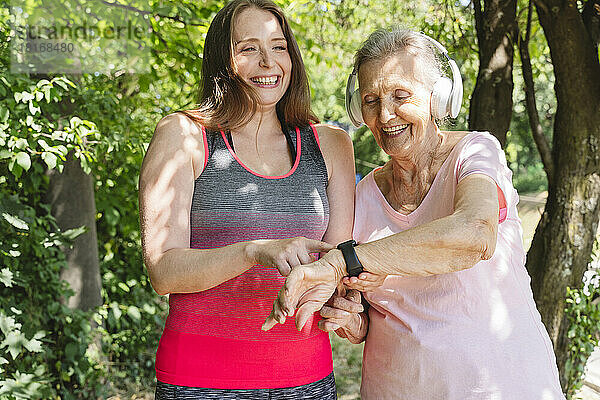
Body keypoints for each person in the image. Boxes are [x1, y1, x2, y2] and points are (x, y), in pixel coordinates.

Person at [263, 28, 566, 399]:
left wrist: (346, 261)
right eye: (371, 100)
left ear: (438, 99)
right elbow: (366, 320)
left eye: (400, 95)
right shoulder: (363, 196)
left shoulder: (475, 154)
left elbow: (474, 235)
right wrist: (352, 320)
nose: (385, 114)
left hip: (502, 388)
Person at [138, 0, 355, 398]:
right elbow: (163, 272)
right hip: (200, 380)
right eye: (249, 48)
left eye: (279, 47)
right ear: (224, 60)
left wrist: (347, 301)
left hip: (306, 378)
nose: (268, 62)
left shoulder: (331, 144)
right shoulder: (183, 136)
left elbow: (335, 265)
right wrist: (254, 252)